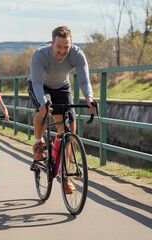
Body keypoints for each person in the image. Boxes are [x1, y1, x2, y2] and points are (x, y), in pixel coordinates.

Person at [27, 26, 96, 193]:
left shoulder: (77, 54)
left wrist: (89, 98)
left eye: (67, 47)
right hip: (40, 85)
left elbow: (84, 81)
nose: (63, 51)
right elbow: (36, 83)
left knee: (69, 131)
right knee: (43, 112)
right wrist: (43, 103)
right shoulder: (40, 55)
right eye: (59, 46)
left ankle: (65, 174)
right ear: (52, 43)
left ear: (71, 44)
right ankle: (37, 144)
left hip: (62, 86)